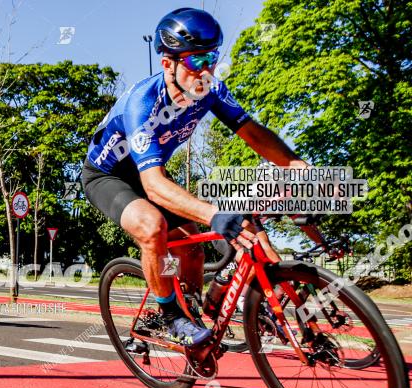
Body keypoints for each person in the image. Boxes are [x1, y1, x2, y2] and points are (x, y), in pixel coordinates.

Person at [82, 7, 306, 346]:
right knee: (152, 227)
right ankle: (170, 316)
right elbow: (154, 186)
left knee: (193, 253)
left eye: (211, 57)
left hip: (150, 172)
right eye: (195, 60)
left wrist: (296, 165)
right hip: (108, 176)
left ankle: (188, 311)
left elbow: (253, 134)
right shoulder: (142, 105)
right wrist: (213, 214)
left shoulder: (209, 90)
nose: (206, 69)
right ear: (167, 63)